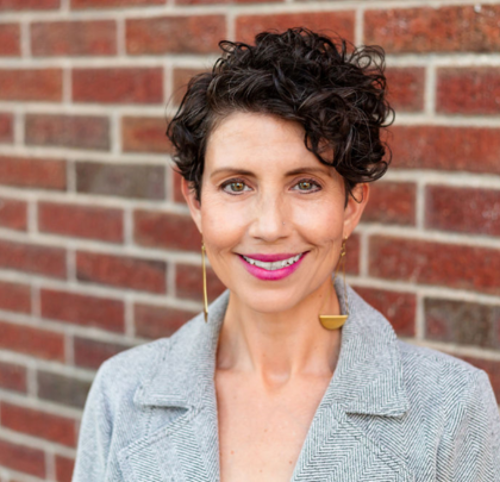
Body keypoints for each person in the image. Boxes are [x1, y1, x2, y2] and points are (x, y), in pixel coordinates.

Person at [72, 28, 500, 481]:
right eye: (236, 185)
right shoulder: (120, 392)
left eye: (306, 184)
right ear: (196, 202)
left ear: (351, 204)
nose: (270, 227)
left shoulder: (453, 406)